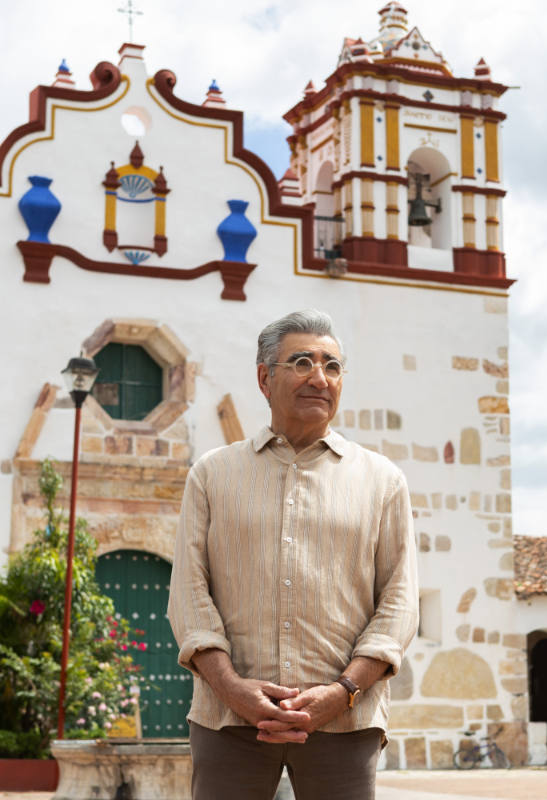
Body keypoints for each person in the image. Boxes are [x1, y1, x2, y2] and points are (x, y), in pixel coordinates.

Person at [168, 309, 419, 800]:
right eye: (301, 362)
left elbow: (399, 603)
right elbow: (190, 594)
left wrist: (342, 692)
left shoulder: (382, 481)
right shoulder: (212, 475)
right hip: (228, 722)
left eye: (332, 365)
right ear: (265, 377)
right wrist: (233, 689)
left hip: (345, 722)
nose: (318, 378)